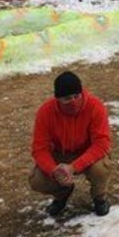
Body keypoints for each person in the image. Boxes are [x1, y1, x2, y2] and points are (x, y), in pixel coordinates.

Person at [30, 71, 112, 217]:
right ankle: (62, 194)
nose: (73, 101)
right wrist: (53, 170)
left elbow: (102, 143)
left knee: (101, 169)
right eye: (67, 98)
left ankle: (99, 198)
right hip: (60, 156)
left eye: (77, 96)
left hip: (88, 153)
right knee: (38, 180)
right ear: (58, 98)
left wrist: (74, 167)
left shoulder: (95, 106)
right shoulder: (45, 112)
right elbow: (39, 148)